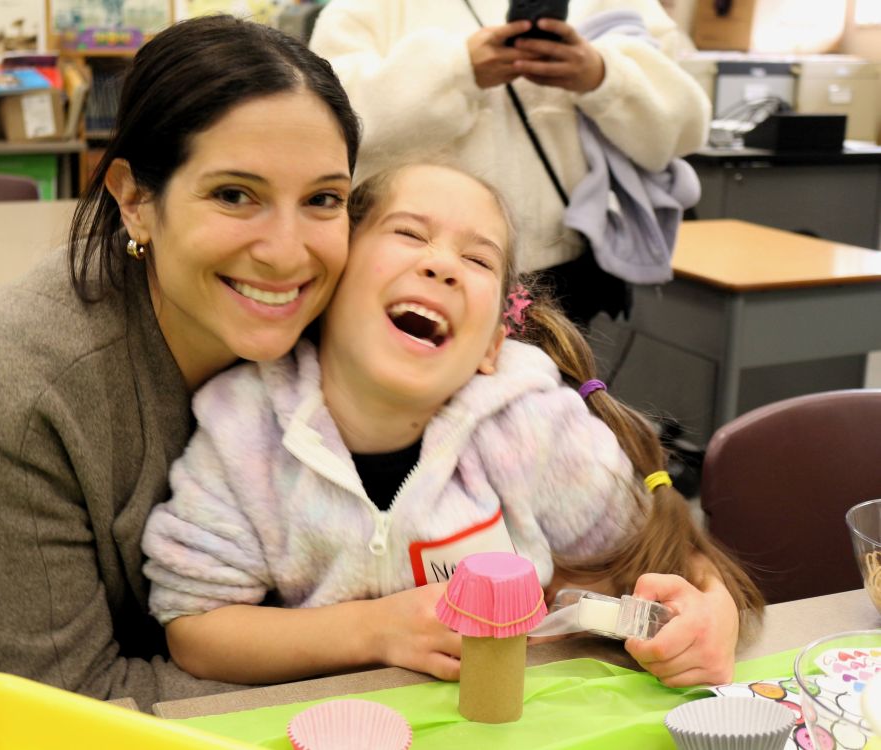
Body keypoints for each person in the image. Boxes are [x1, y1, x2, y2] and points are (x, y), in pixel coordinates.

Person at [0, 16, 361, 748]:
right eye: (234, 195)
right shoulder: (23, 379)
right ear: (134, 198)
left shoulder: (332, 336)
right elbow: (67, 712)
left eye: (323, 199)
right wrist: (366, 660)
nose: (287, 251)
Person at [141, 163, 763, 690]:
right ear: (326, 287)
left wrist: (711, 612)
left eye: (477, 259)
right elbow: (195, 628)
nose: (442, 266)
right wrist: (375, 630)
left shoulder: (531, 425)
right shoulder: (242, 430)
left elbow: (661, 553)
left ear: (492, 344)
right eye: (409, 234)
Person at [307, 0, 710, 325]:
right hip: (411, 276)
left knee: (545, 420)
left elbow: (687, 128)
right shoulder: (367, 9)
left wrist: (603, 77)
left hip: (558, 281)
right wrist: (455, 70)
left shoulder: (617, 6)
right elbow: (326, 126)